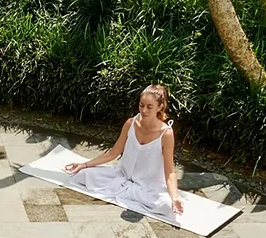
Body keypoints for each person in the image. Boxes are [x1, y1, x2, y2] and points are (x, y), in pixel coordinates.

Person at [62, 84, 183, 217]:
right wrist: (84, 165)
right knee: (81, 175)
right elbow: (113, 153)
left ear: (160, 107)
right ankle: (128, 193)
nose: (144, 110)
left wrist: (175, 197)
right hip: (121, 176)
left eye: (149, 107)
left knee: (166, 207)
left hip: (147, 186)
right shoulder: (130, 123)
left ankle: (131, 194)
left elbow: (170, 172)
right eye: (141, 105)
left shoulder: (166, 133)